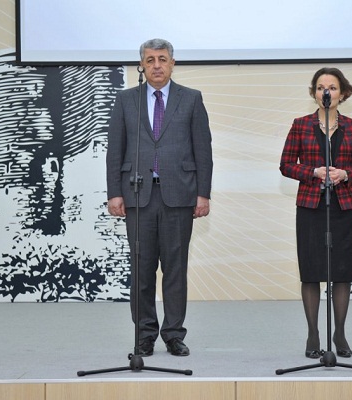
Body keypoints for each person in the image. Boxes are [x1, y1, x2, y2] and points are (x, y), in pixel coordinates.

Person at [106, 38, 213, 357]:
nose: (156, 65)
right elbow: (115, 151)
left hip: (179, 195)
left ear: (172, 63)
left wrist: (203, 193)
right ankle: (144, 334)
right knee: (141, 270)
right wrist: (114, 192)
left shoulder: (191, 99)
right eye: (150, 59)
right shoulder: (127, 100)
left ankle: (174, 333)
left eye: (162, 59)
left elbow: (203, 151)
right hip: (137, 194)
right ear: (142, 64)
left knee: (175, 269)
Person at [279, 67, 352, 359]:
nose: (325, 92)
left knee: (341, 272)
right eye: (320, 87)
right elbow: (286, 165)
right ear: (314, 92)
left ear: (342, 93)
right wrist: (312, 172)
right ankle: (313, 333)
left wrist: (345, 173)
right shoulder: (300, 125)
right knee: (312, 271)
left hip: (343, 206)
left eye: (332, 87)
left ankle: (339, 332)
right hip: (310, 206)